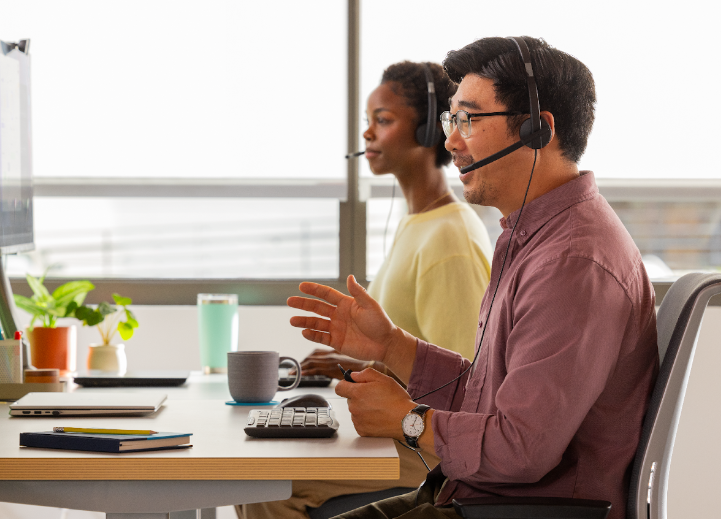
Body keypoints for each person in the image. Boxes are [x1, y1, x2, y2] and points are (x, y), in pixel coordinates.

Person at [285, 37, 659, 519]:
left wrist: (409, 421)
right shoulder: (534, 237)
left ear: (536, 130)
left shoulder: (572, 261)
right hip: (473, 497)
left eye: (468, 120)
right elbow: (489, 403)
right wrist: (392, 347)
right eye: (449, 120)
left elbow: (521, 449)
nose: (451, 141)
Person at [236, 61, 493, 519]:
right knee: (260, 468)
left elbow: (463, 382)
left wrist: (360, 367)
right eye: (367, 122)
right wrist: (353, 364)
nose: (367, 135)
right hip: (400, 436)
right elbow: (418, 350)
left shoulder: (449, 238)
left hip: (427, 452)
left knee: (266, 484)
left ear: (429, 131)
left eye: (383, 120)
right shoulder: (418, 225)